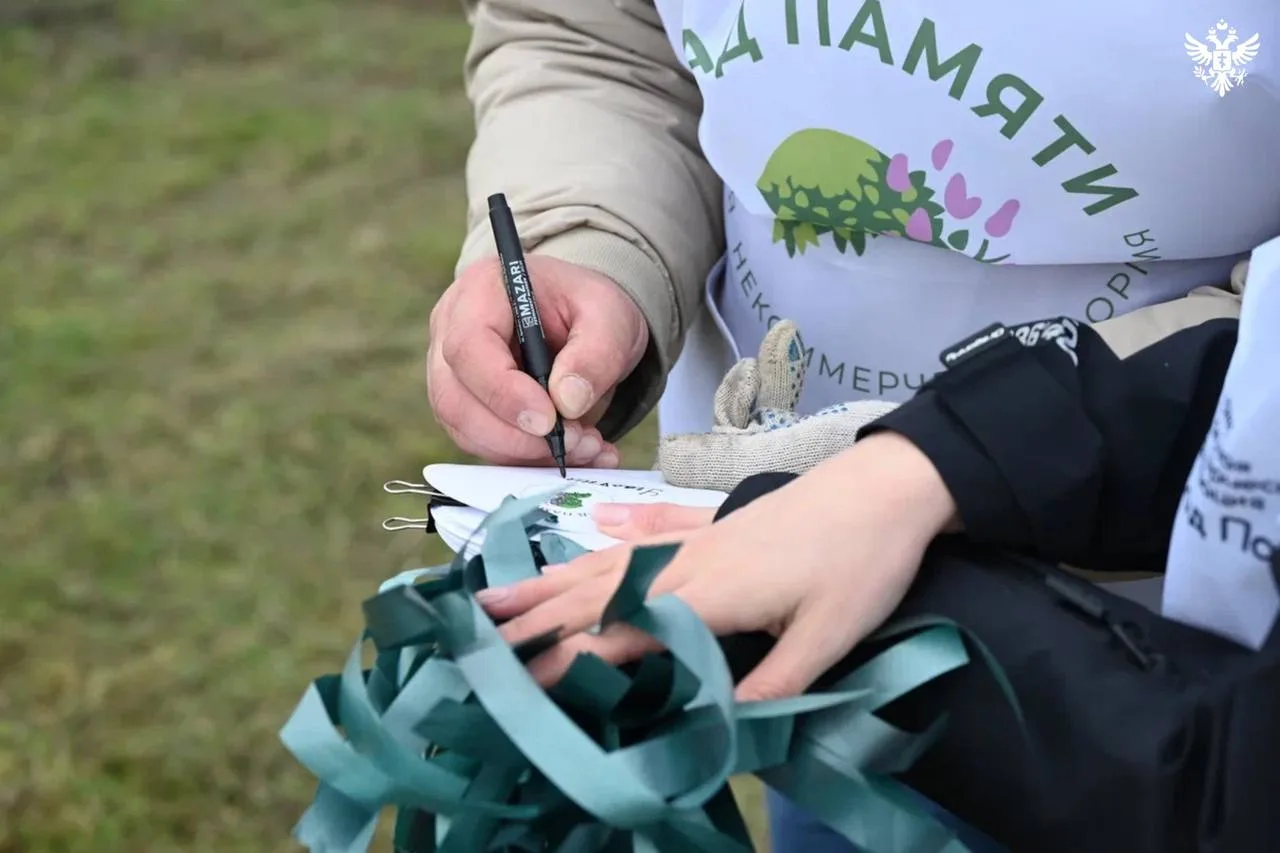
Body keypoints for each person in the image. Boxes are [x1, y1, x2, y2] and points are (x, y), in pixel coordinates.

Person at [431, 1, 1278, 847]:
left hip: (1180, 654)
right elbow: (597, 34)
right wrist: (590, 240)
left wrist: (934, 462)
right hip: (793, 604)